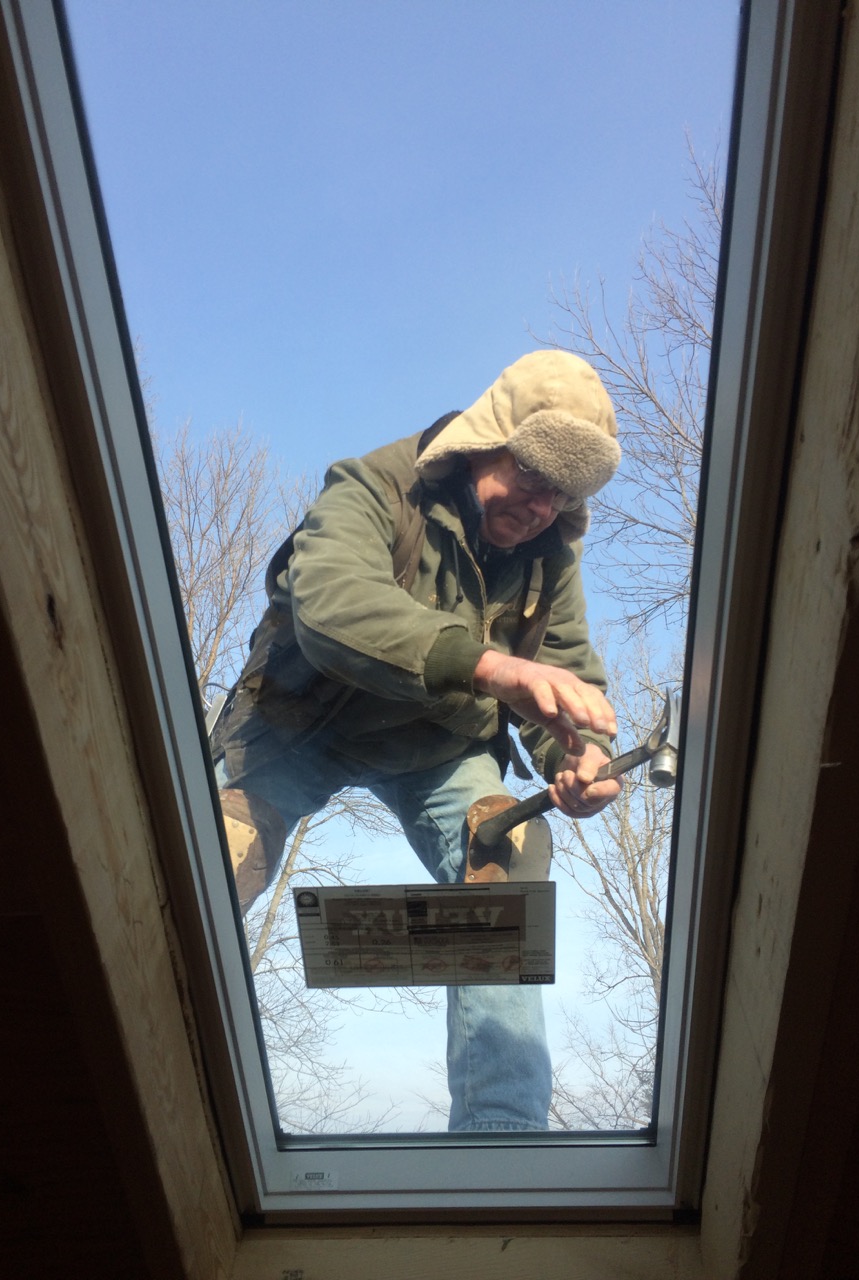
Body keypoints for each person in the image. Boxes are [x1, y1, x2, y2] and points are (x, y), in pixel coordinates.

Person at [210, 348, 623, 1132]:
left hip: (439, 745)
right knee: (214, 856)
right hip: (305, 725)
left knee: (509, 854)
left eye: (562, 494)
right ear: (486, 440)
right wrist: (492, 667)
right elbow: (331, 602)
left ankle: (502, 1140)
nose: (541, 506)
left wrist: (583, 756)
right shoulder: (375, 486)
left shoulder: (549, 556)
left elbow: (564, 673)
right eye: (531, 476)